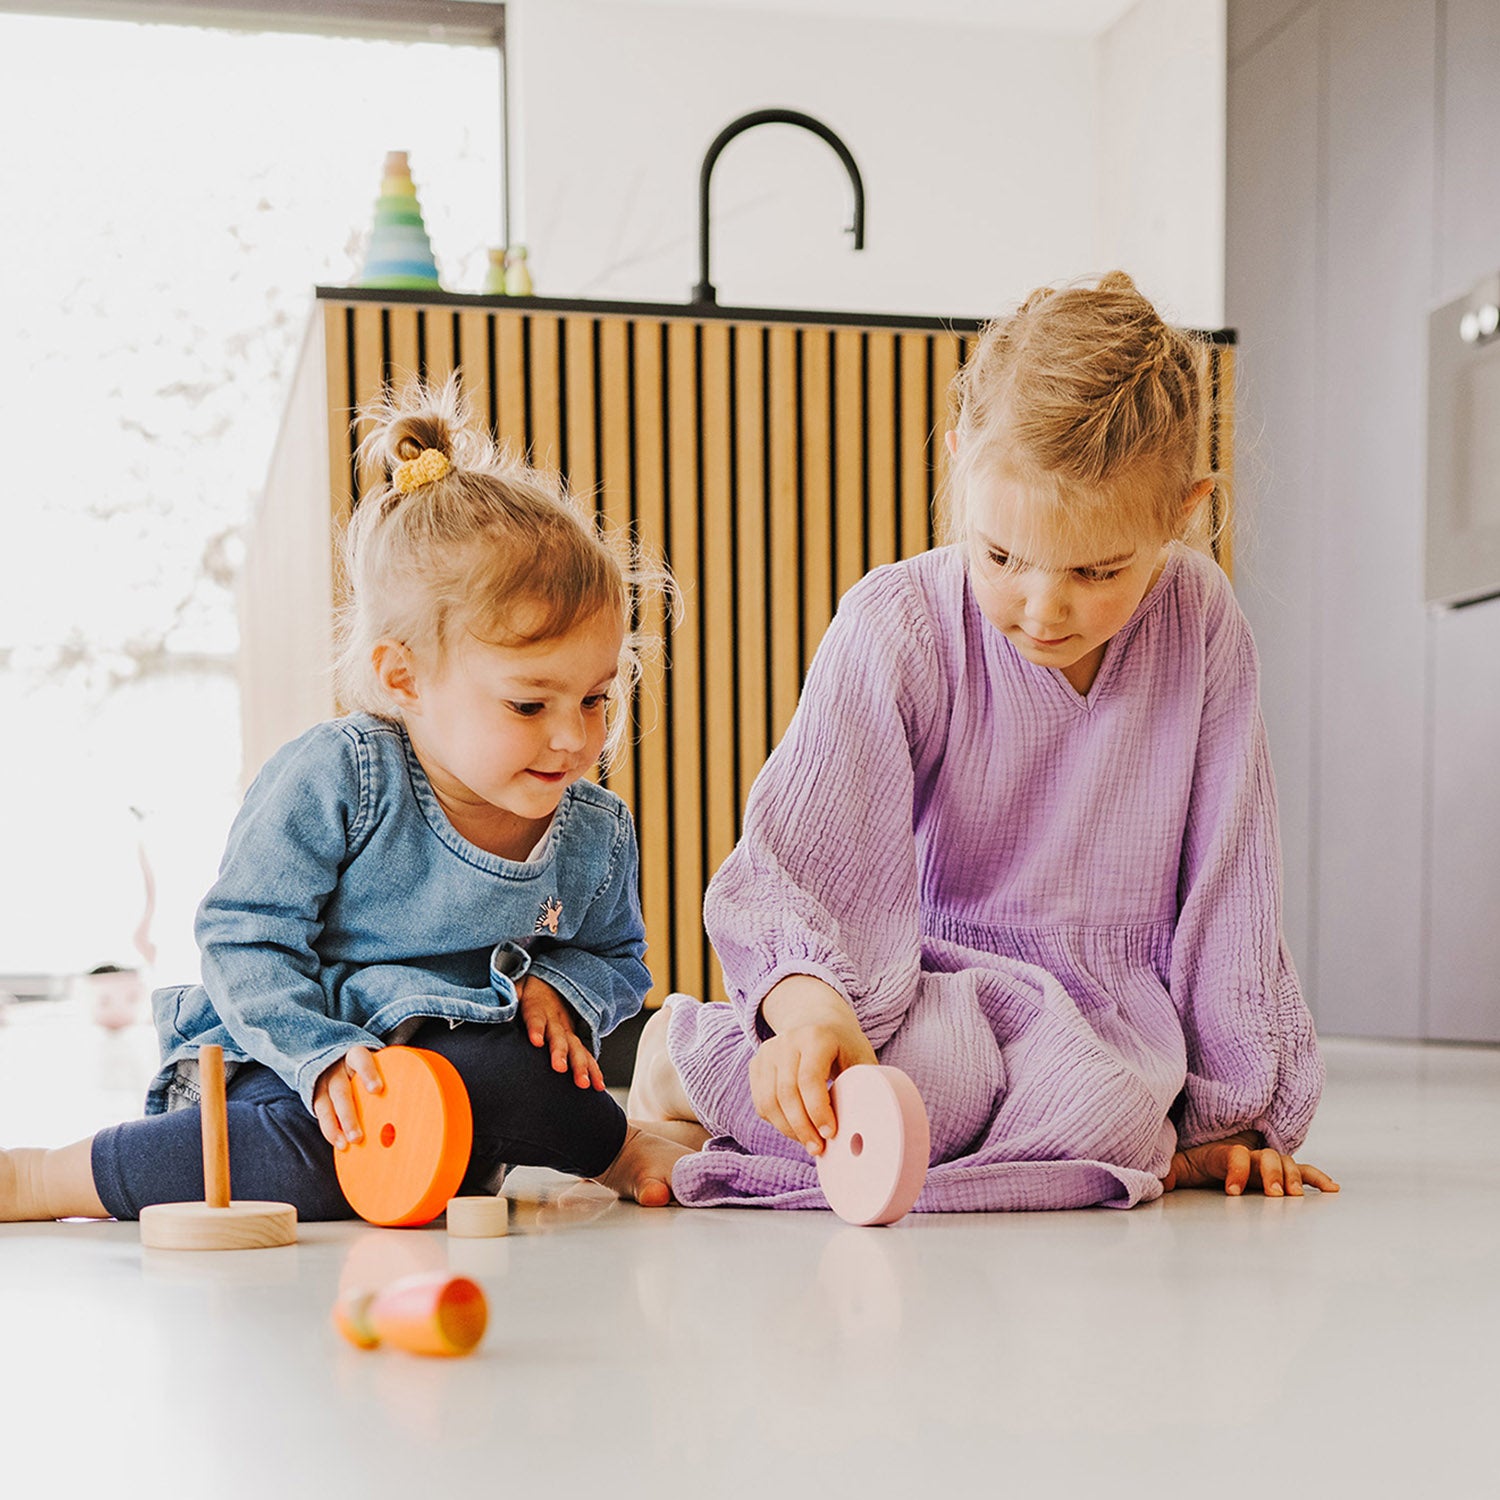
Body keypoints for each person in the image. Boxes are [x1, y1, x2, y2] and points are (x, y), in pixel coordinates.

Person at [630, 272, 1339, 1211]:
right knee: (921, 1090)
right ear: (963, 463)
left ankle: (772, 1112)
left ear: (1183, 512)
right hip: (923, 993)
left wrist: (1231, 1119)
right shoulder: (900, 622)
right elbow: (800, 859)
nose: (1043, 609)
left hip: (1109, 1021)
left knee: (1112, 1116)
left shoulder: (1201, 620)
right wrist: (810, 1010)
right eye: (1002, 556)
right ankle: (686, 1060)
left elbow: (1230, 876)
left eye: (1096, 569)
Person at [1, 380, 691, 1225]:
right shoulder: (341, 777)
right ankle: (45, 1178)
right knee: (302, 1168)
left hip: (462, 1079)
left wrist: (564, 987)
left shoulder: (592, 830)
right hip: (293, 1069)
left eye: (596, 699)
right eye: (528, 705)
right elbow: (244, 935)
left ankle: (614, 1149)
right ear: (405, 677)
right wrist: (323, 1057)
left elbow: (621, 959)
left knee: (533, 1078)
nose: (573, 740)